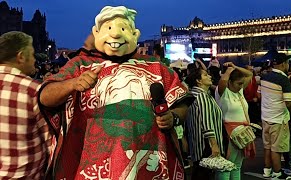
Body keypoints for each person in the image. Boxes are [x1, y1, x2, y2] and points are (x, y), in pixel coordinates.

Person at [39, 6, 190, 180]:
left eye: (123, 29)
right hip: (92, 169)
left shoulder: (157, 68)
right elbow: (45, 97)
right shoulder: (80, 65)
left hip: (150, 169)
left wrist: (173, 117)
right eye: (109, 29)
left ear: (135, 34)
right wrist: (72, 84)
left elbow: (182, 102)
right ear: (96, 33)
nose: (116, 35)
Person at [0, 31, 52, 179]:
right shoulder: (32, 90)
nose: (35, 60)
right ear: (21, 56)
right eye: (33, 54)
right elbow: (50, 143)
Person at [215, 62, 255, 180]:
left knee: (237, 166)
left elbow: (249, 74)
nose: (242, 86)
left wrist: (235, 66)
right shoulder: (222, 93)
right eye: (239, 83)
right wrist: (228, 71)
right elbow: (222, 81)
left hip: (242, 135)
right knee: (226, 166)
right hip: (229, 134)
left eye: (242, 83)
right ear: (230, 82)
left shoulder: (239, 91)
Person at [258, 53, 291, 180]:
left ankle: (267, 170)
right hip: (278, 119)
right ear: (283, 64)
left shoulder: (264, 77)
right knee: (276, 148)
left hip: (266, 117)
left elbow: (259, 96)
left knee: (267, 146)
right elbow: (289, 102)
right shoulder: (284, 80)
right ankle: (278, 173)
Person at [185, 67, 224, 179]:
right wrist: (214, 145)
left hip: (197, 145)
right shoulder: (202, 96)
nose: (210, 77)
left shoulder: (194, 95)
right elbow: (206, 122)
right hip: (205, 146)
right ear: (199, 81)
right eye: (206, 75)